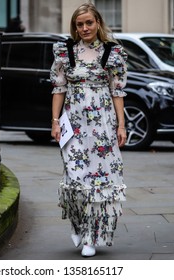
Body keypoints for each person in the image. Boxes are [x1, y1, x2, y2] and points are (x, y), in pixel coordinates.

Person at [50, 2, 127, 257]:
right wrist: (55, 121)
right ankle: (78, 225)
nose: (84, 28)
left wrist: (121, 126)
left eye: (89, 23)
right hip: (73, 124)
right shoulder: (65, 51)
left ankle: (92, 237)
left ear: (98, 23)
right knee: (74, 178)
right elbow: (59, 89)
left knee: (100, 181)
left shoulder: (112, 52)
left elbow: (117, 91)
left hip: (103, 126)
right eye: (79, 24)